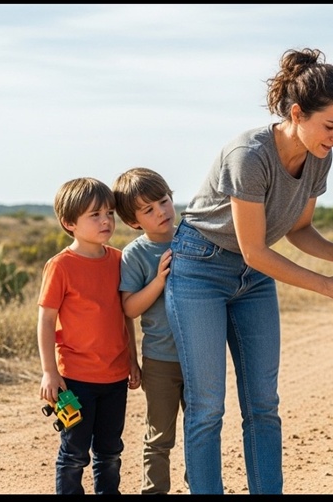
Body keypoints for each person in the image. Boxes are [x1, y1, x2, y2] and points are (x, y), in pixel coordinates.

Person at [164, 47, 333, 495]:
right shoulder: (248, 154)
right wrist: (328, 285)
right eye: (330, 126)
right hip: (200, 268)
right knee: (207, 406)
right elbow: (255, 249)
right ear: (297, 113)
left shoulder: (320, 156)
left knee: (263, 404)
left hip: (252, 278)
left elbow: (298, 228)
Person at [37, 177, 142, 494]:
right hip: (73, 381)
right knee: (74, 453)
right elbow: (45, 320)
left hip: (114, 379)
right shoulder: (60, 266)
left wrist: (132, 361)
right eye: (94, 215)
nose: (106, 220)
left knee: (110, 453)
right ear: (69, 223)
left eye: (109, 212)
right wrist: (49, 372)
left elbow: (125, 315)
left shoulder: (119, 260)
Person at [112, 167, 187, 494]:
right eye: (148, 209)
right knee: (159, 437)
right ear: (133, 221)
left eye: (164, 201)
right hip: (160, 361)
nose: (161, 212)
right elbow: (128, 309)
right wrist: (159, 280)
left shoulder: (194, 239)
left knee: (201, 431)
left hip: (200, 355)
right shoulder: (135, 254)